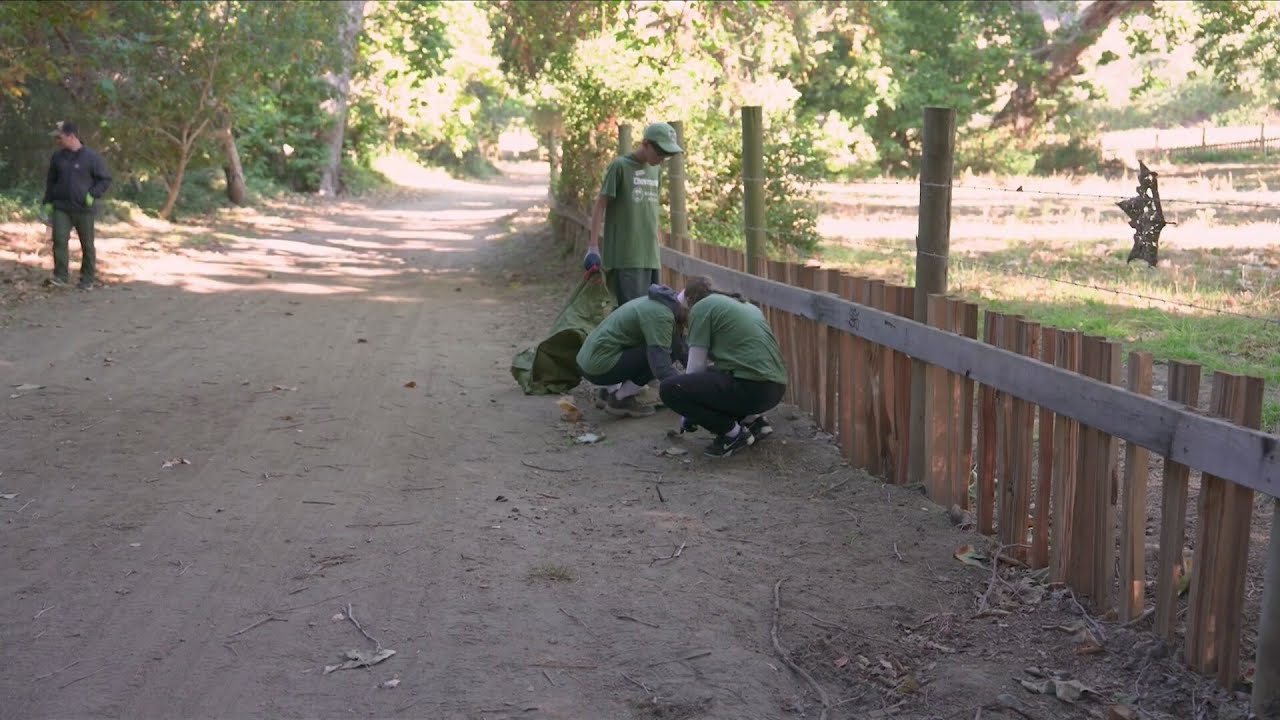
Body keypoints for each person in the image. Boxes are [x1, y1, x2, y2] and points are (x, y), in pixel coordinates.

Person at [659, 276, 787, 458]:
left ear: (689, 301)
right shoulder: (741, 304)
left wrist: (688, 413)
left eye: (684, 312)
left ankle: (733, 435)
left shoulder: (702, 308)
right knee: (714, 374)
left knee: (670, 388)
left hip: (752, 388)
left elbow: (694, 369)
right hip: (773, 389)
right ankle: (754, 422)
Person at [582, 122, 683, 307]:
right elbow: (600, 205)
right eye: (659, 152)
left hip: (650, 255)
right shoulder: (620, 167)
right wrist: (593, 246)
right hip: (626, 256)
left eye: (666, 155)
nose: (662, 158)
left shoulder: (656, 170)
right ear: (645, 144)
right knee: (632, 314)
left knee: (651, 311)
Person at [576, 284, 687, 418]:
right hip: (599, 367)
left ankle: (607, 393)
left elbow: (682, 347)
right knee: (664, 351)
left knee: (662, 345)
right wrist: (684, 392)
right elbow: (661, 366)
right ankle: (620, 399)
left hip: (588, 361)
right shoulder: (661, 315)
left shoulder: (658, 302)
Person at [42, 120, 111, 289]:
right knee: (59, 240)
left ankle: (87, 279)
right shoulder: (57, 157)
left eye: (60, 137)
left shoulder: (91, 157)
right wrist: (48, 202)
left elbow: (105, 179)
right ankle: (60, 276)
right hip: (61, 207)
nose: (57, 141)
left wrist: (92, 194)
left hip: (83, 209)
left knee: (87, 244)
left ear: (71, 136)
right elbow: (51, 181)